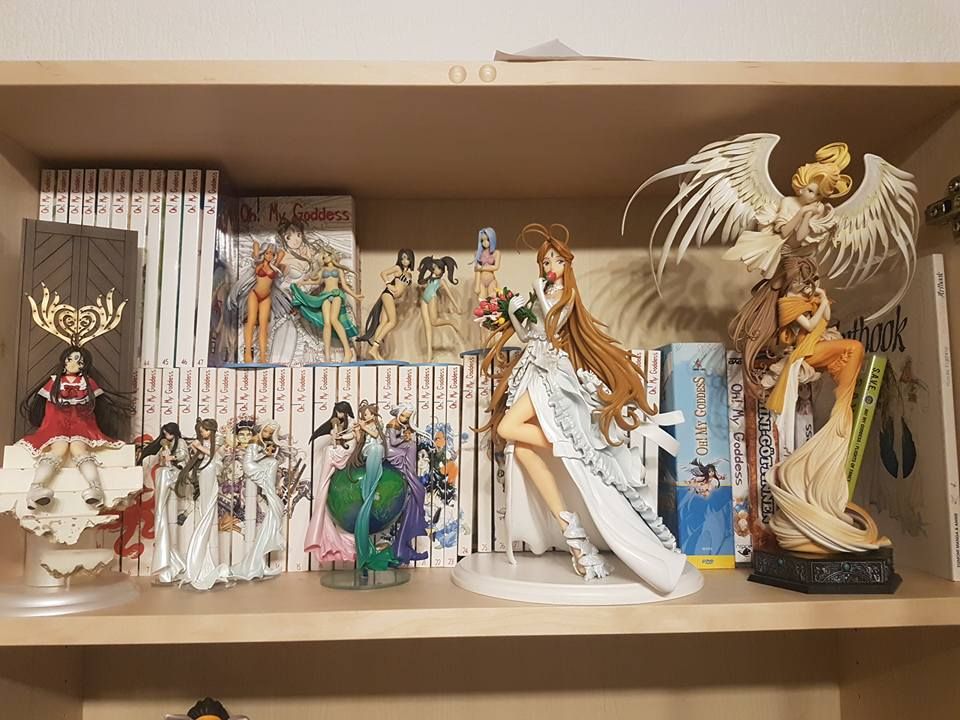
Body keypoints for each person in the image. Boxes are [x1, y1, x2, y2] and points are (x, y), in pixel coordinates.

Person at [481, 223, 687, 593]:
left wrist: (535, 297)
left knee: (507, 428)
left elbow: (552, 327)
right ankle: (573, 534)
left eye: (556, 261)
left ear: (567, 264)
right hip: (531, 369)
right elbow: (530, 335)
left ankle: (570, 446)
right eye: (546, 262)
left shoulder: (565, 295)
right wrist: (514, 312)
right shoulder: (544, 292)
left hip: (550, 375)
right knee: (523, 449)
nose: (551, 267)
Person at [357, 248, 415, 360]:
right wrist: (388, 284)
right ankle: (375, 347)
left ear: (411, 259)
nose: (405, 261)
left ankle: (375, 351)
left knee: (383, 322)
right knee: (392, 322)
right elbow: (383, 273)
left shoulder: (409, 274)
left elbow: (402, 288)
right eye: (402, 258)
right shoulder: (398, 268)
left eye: (407, 258)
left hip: (392, 297)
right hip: (388, 295)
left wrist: (400, 297)